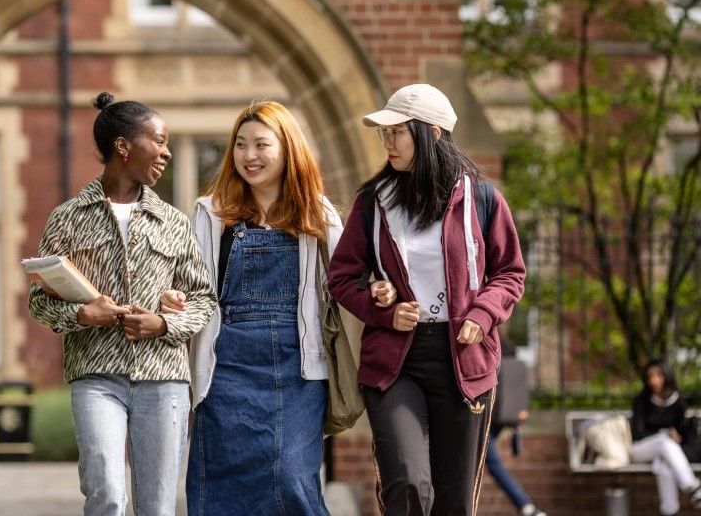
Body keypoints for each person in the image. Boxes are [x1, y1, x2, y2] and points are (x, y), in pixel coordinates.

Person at [327, 83, 527, 516]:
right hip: (395, 361)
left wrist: (483, 311)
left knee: (454, 501)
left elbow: (510, 272)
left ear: (432, 134)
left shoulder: (482, 200)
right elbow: (342, 277)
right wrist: (378, 303)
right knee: (408, 484)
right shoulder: (372, 202)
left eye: (397, 132)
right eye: (385, 134)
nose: (387, 143)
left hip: (464, 361)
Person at [28, 91, 217, 516]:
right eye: (160, 141)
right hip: (95, 378)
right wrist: (82, 314)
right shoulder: (68, 217)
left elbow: (204, 299)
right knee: (107, 493)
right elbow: (39, 302)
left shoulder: (173, 221)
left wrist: (164, 324)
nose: (166, 152)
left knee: (157, 507)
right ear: (123, 146)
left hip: (164, 380)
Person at [160, 100, 349, 515]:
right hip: (226, 368)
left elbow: (349, 282)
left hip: (300, 367)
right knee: (222, 485)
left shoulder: (318, 214)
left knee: (292, 478)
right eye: (240, 145)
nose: (249, 156)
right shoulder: (211, 214)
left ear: (287, 149)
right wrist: (174, 298)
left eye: (261, 144)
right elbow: (190, 286)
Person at [631, 359, 701, 516]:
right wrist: (666, 434)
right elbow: (638, 433)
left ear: (667, 376)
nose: (653, 380)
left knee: (665, 467)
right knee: (664, 442)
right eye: (650, 376)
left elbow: (681, 430)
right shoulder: (642, 401)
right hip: (640, 449)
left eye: (658, 375)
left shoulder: (679, 402)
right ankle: (692, 486)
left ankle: (670, 512)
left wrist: (677, 436)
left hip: (668, 453)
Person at [484, 340, 545, 516]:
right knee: (488, 462)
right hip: (504, 418)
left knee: (490, 462)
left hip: (487, 416)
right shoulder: (508, 348)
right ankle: (526, 507)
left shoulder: (488, 341)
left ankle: (526, 506)